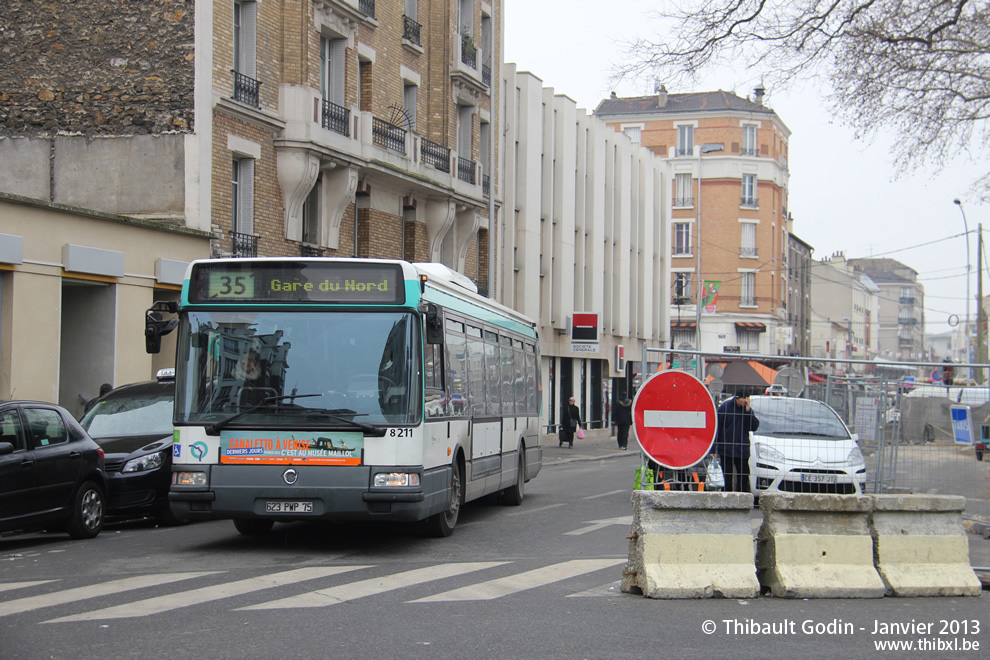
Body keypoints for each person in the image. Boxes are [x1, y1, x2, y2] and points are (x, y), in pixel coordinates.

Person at [714, 392, 760, 493]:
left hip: (742, 450)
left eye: (748, 399)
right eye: (744, 399)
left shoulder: (747, 410)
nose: (746, 401)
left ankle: (742, 495)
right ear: (738, 398)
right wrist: (714, 447)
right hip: (726, 449)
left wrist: (748, 412)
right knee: (727, 476)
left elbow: (754, 427)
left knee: (743, 475)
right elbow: (717, 428)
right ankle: (727, 496)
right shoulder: (725, 408)